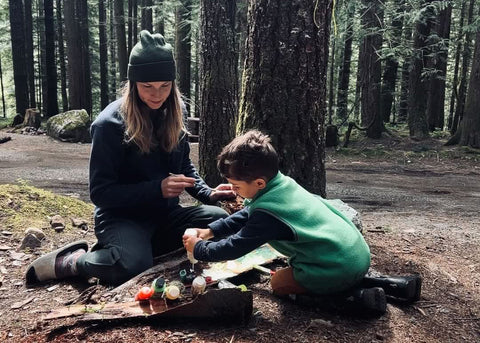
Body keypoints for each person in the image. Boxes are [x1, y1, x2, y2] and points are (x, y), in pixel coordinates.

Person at [25, 30, 234, 286]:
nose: (157, 94)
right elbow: (101, 193)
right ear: (133, 84)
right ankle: (73, 260)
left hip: (164, 217)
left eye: (164, 86)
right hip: (121, 217)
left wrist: (208, 193)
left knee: (221, 221)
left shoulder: (175, 111)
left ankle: (137, 249)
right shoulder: (109, 124)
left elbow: (182, 165)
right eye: (147, 87)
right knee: (132, 266)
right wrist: (156, 188)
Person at [183, 130, 390, 311]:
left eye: (236, 186)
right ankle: (384, 284)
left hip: (337, 266)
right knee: (290, 274)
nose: (234, 191)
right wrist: (209, 231)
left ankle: (354, 299)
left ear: (259, 182)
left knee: (279, 283)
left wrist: (199, 248)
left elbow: (234, 247)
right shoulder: (281, 184)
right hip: (356, 254)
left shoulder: (268, 214)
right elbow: (247, 214)